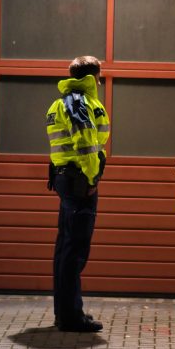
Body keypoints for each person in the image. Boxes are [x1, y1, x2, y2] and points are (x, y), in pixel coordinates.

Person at [46, 56, 110, 332]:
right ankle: (71, 316)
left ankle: (64, 313)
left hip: (66, 178)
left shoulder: (60, 102)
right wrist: (92, 178)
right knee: (75, 250)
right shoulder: (79, 103)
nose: (101, 81)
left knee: (65, 247)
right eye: (100, 76)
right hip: (79, 180)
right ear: (94, 76)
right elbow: (85, 143)